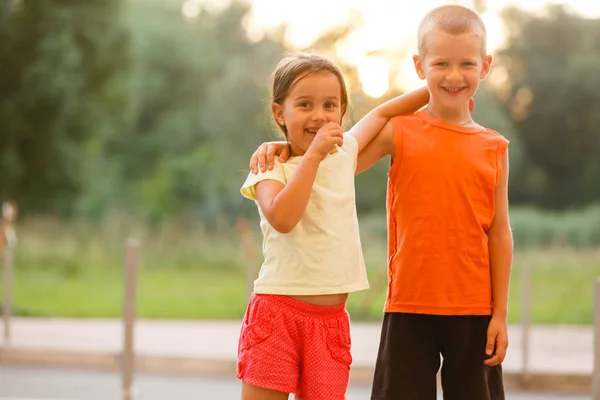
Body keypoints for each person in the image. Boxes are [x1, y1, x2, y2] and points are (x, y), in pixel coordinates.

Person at [248, 5, 513, 400]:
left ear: (485, 66)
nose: (454, 75)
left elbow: (500, 232)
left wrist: (501, 314)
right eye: (441, 64)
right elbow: (333, 165)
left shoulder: (494, 146)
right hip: (407, 305)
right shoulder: (398, 132)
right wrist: (286, 148)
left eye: (466, 65)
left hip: (474, 308)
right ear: (420, 66)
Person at [237, 52, 430, 400]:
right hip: (277, 312)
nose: (319, 115)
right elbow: (282, 218)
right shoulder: (269, 167)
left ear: (341, 111)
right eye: (305, 104)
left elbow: (384, 112)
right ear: (280, 113)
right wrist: (311, 156)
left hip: (329, 323)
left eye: (330, 105)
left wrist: (443, 87)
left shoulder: (346, 154)